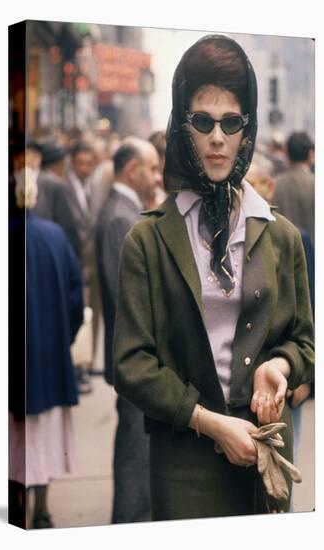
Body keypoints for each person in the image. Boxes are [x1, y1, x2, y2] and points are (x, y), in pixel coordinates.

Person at [113, 34, 314, 520]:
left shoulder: (281, 235)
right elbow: (131, 364)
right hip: (184, 459)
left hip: (266, 451)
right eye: (203, 121)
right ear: (184, 128)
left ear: (248, 129)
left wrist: (279, 368)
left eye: (232, 122)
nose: (218, 138)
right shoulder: (148, 239)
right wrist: (210, 422)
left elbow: (304, 343)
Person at [9, 168, 84, 529]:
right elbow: (75, 298)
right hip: (50, 359)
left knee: (14, 442)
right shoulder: (55, 237)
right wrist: (60, 340)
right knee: (41, 441)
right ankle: (41, 509)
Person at [96, 137, 161, 523]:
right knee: (136, 461)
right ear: (132, 169)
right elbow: (132, 300)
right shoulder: (122, 216)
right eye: (152, 168)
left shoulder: (125, 210)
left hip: (133, 360)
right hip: (137, 361)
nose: (156, 177)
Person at [246, 152, 314, 466]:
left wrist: (305, 378)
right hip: (249, 381)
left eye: (256, 183)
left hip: (285, 370)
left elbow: (309, 307)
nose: (250, 191)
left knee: (287, 458)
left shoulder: (291, 237)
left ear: (270, 186)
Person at [273, 131, 315, 245]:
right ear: (310, 154)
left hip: (285, 253)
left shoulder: (275, 184)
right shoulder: (314, 183)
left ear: (286, 154)